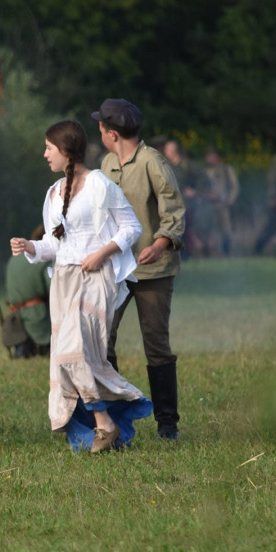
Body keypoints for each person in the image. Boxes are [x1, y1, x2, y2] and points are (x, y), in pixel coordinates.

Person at [10, 120, 152, 453]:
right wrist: (30, 246)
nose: (45, 154)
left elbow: (131, 228)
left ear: (66, 150)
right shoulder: (53, 193)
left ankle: (106, 423)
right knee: (68, 357)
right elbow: (54, 245)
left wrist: (102, 253)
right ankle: (104, 425)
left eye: (49, 148)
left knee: (75, 352)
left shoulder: (99, 185)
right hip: (64, 281)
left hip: (95, 278)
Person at [96, 98, 187, 440]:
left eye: (101, 129)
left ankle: (167, 424)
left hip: (153, 270)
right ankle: (115, 419)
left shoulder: (153, 162)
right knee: (102, 340)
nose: (100, 135)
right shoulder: (106, 163)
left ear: (112, 134)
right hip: (116, 269)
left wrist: (159, 244)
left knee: (156, 345)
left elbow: (173, 212)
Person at [4, 225, 52, 358]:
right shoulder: (44, 259)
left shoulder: (14, 258)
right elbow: (54, 289)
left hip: (15, 318)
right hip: (39, 316)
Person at [163, 139, 208, 257]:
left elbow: (203, 178)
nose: (165, 152)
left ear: (174, 151)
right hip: (172, 204)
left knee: (185, 230)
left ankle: (186, 254)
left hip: (186, 204)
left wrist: (195, 192)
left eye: (168, 149)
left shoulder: (187, 165)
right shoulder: (167, 166)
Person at [203, 147, 240, 256]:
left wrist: (230, 200)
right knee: (211, 230)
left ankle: (226, 252)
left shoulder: (226, 169)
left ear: (216, 156)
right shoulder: (207, 171)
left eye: (210, 155)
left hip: (223, 204)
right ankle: (213, 252)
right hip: (209, 204)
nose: (208, 158)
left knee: (226, 230)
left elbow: (235, 186)